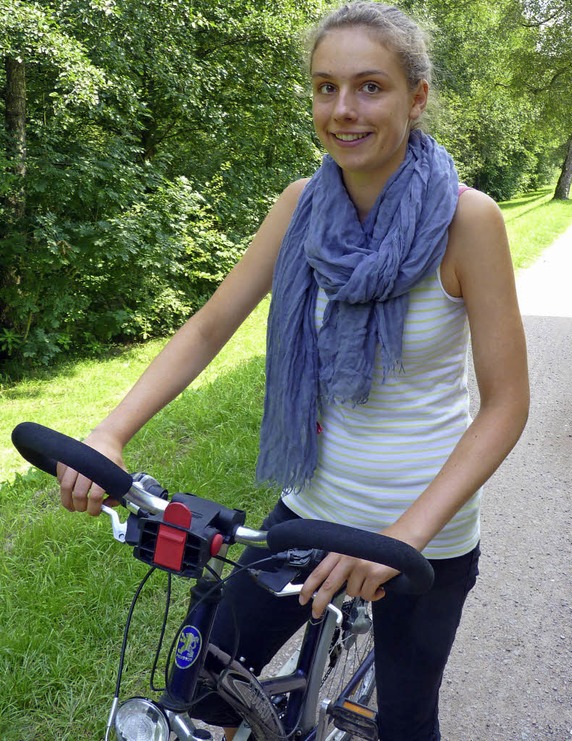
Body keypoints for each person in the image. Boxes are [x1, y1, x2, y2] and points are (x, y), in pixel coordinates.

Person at [58, 3, 529, 739]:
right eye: (325, 87)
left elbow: (506, 405)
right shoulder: (299, 205)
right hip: (310, 510)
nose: (343, 109)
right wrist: (110, 433)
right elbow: (212, 324)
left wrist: (405, 535)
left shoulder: (469, 221)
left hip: (422, 537)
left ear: (418, 96)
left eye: (370, 86)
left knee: (406, 722)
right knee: (202, 688)